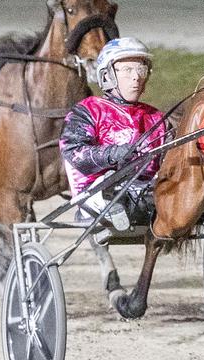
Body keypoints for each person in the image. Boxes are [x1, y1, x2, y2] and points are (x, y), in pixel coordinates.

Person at [59, 37, 167, 230]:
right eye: (127, 70)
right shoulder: (88, 110)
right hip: (97, 194)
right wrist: (117, 153)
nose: (136, 77)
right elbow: (76, 153)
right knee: (110, 184)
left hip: (147, 191)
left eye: (140, 69)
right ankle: (116, 206)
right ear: (107, 75)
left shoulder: (156, 117)